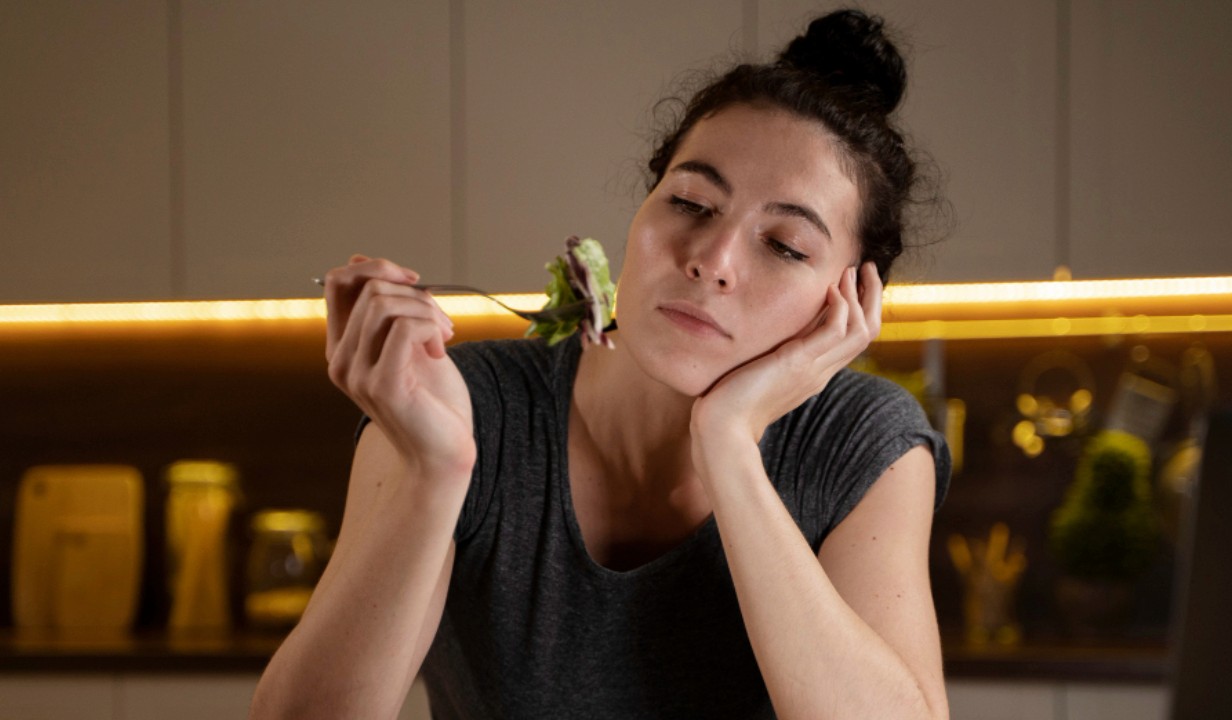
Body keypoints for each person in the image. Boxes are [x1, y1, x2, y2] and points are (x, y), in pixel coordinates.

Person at [251, 7, 951, 719]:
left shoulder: (864, 444)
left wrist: (728, 443)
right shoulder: (456, 407)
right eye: (689, 202)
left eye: (785, 246)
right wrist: (436, 474)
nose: (710, 260)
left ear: (850, 299)